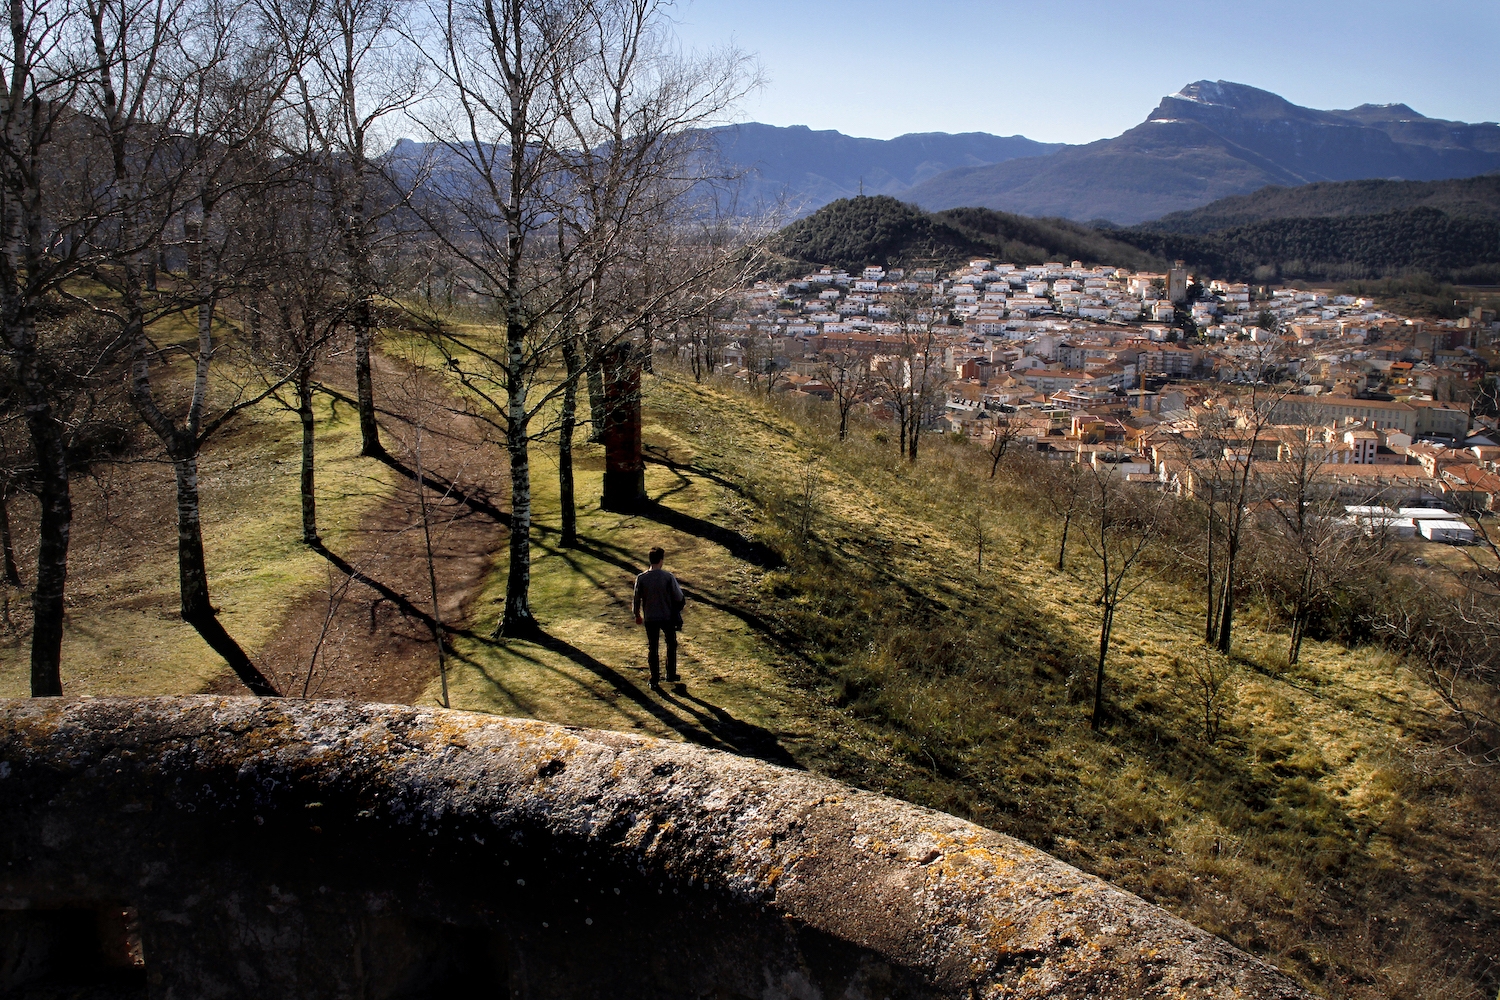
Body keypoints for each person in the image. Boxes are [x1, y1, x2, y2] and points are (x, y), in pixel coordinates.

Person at [633, 546, 684, 687]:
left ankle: (654, 678)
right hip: (666, 617)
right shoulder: (668, 577)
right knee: (671, 644)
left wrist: (637, 615)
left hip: (650, 618)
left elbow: (636, 599)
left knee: (653, 647)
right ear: (661, 560)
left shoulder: (641, 578)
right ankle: (670, 674)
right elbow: (679, 597)